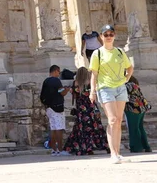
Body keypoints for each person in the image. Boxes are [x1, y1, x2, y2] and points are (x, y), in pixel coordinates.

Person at [88, 24, 134, 164]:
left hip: (120, 88)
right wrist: (92, 91)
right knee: (112, 120)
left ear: (114, 36)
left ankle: (118, 153)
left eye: (111, 34)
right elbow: (94, 74)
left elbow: (130, 67)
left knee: (119, 120)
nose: (108, 37)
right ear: (101, 37)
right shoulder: (98, 53)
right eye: (105, 34)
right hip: (105, 88)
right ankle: (113, 153)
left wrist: (125, 79)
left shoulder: (120, 51)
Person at [63, 67, 109, 155]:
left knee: (82, 129)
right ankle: (105, 146)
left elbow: (73, 94)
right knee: (97, 127)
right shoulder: (90, 83)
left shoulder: (75, 83)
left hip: (82, 110)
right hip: (92, 108)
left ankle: (87, 148)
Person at [40, 65, 70, 156]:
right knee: (59, 128)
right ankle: (60, 150)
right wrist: (67, 90)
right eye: (59, 72)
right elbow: (61, 92)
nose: (59, 74)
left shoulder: (46, 81)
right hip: (57, 108)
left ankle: (54, 149)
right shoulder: (56, 81)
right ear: (56, 71)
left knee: (53, 128)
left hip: (49, 108)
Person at [124, 76, 152, 153]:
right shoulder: (135, 86)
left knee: (133, 129)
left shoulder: (127, 85)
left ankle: (136, 147)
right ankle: (146, 146)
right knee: (140, 128)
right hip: (141, 109)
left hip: (132, 109)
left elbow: (125, 97)